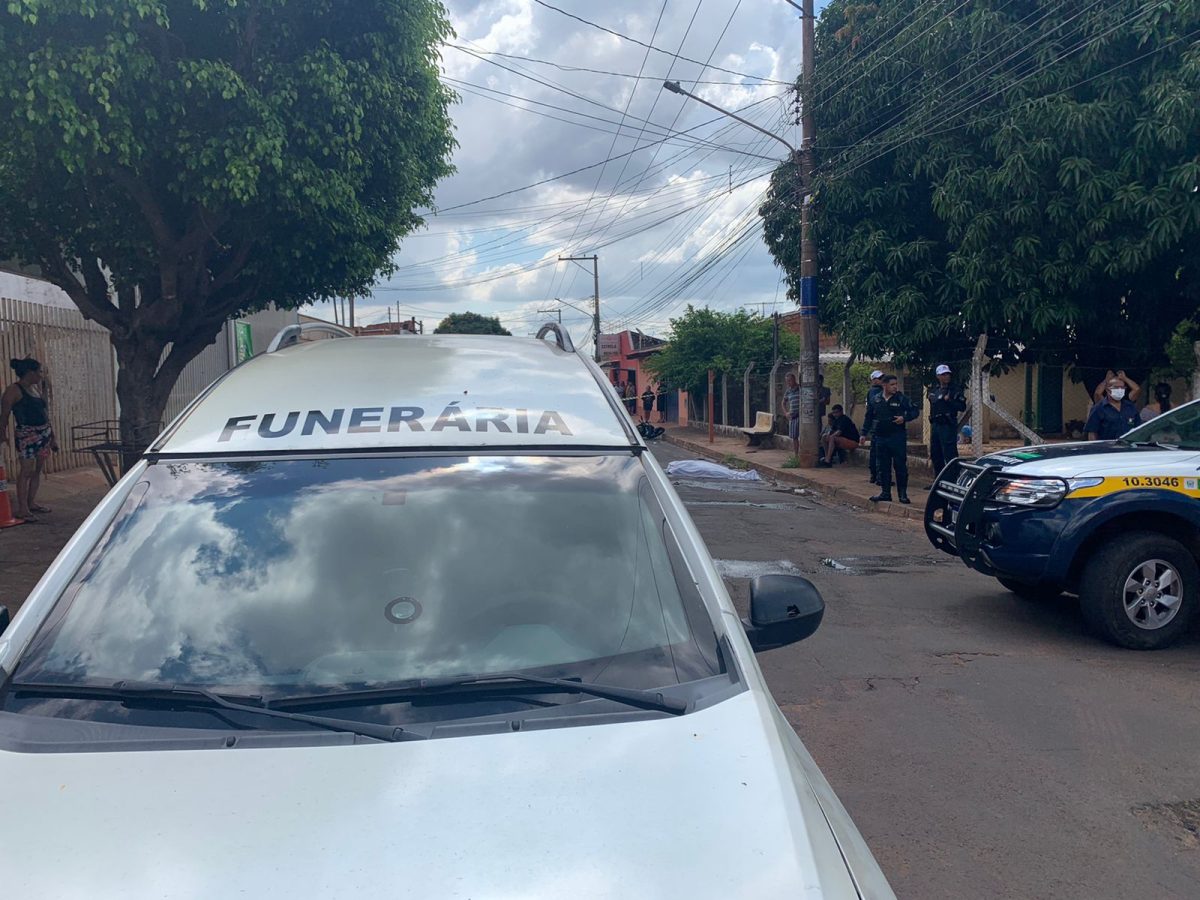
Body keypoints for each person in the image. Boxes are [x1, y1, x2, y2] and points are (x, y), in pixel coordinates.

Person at [1, 357, 59, 521]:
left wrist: (52, 437)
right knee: (26, 471)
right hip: (27, 434)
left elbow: (45, 415)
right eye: (39, 372)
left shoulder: (36, 389)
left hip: (43, 433)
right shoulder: (13, 390)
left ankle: (31, 502)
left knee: (37, 470)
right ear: (30, 372)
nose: (41, 376)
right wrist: (2, 433)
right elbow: (4, 415)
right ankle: (23, 509)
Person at [869, 375, 918, 504]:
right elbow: (869, 416)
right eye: (892, 384)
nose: (895, 386)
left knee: (900, 466)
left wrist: (904, 418)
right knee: (883, 467)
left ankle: (902, 494)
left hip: (897, 437)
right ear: (884, 385)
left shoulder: (901, 398)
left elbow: (914, 411)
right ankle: (885, 493)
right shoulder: (876, 399)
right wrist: (864, 433)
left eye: (896, 384)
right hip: (881, 437)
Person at [928, 363, 966, 478]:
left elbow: (962, 407)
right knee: (936, 453)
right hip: (935, 424)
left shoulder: (955, 390)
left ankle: (953, 480)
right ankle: (938, 480)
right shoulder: (935, 390)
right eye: (943, 374)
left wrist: (949, 400)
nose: (946, 377)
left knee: (949, 454)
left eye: (947, 374)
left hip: (947, 424)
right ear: (938, 376)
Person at [1086, 374, 1140, 440]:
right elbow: (1092, 432)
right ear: (1107, 390)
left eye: (1122, 388)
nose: (1120, 390)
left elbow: (1138, 429)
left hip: (1128, 447)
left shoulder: (1131, 407)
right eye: (1116, 388)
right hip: (1107, 447)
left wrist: (1124, 378)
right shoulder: (1099, 408)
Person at [860, 370, 885, 484]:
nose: (882, 380)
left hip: (875, 425)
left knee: (875, 452)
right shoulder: (877, 392)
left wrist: (864, 432)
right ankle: (879, 476)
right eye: (879, 378)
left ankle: (874, 475)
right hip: (880, 426)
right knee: (880, 452)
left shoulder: (871, 392)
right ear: (874, 380)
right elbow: (871, 412)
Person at [781, 370, 800, 458]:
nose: (788, 383)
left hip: (802, 416)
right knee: (794, 437)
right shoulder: (788, 391)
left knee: (803, 436)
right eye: (787, 381)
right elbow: (783, 402)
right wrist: (786, 413)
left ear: (794, 379)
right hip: (793, 416)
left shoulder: (800, 388)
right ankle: (796, 455)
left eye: (790, 380)